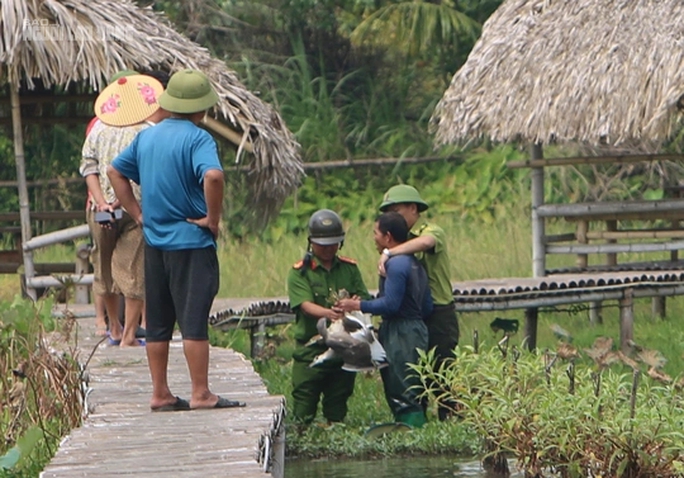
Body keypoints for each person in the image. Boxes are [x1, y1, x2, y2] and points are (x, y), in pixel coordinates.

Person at [108, 68, 246, 411]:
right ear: (201, 109)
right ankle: (201, 393)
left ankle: (160, 393)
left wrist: (137, 213)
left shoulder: (147, 137)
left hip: (155, 242)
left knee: (157, 323)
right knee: (194, 320)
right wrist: (212, 220)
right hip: (192, 242)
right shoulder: (198, 139)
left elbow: (114, 171)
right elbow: (213, 176)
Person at [80, 72, 164, 347]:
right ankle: (129, 334)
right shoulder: (149, 131)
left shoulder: (98, 129)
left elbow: (88, 168)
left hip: (99, 209)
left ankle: (112, 328)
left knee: (103, 265)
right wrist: (121, 200)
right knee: (133, 268)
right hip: (135, 208)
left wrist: (101, 200)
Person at [337, 211, 432, 428]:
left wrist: (357, 305)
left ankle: (410, 431)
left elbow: (390, 304)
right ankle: (417, 427)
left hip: (401, 332)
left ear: (388, 237)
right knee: (415, 383)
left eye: (375, 233)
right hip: (417, 329)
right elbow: (427, 305)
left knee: (402, 386)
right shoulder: (415, 263)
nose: (374, 238)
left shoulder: (395, 265)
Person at [378, 184, 460, 421]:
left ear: (413, 208)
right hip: (412, 316)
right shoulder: (396, 241)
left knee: (442, 368)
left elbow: (425, 244)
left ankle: (450, 419)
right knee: (414, 370)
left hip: (438, 311)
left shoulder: (431, 231)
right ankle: (417, 420)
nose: (393, 217)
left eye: (397, 210)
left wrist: (389, 253)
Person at [287, 209, 370, 424]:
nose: (328, 249)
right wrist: (329, 314)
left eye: (333, 244)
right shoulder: (300, 272)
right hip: (310, 347)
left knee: (338, 401)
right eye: (322, 245)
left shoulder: (349, 268)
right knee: (304, 403)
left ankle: (335, 436)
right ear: (311, 243)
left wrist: (351, 306)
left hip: (343, 347)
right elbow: (304, 305)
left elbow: (362, 296)